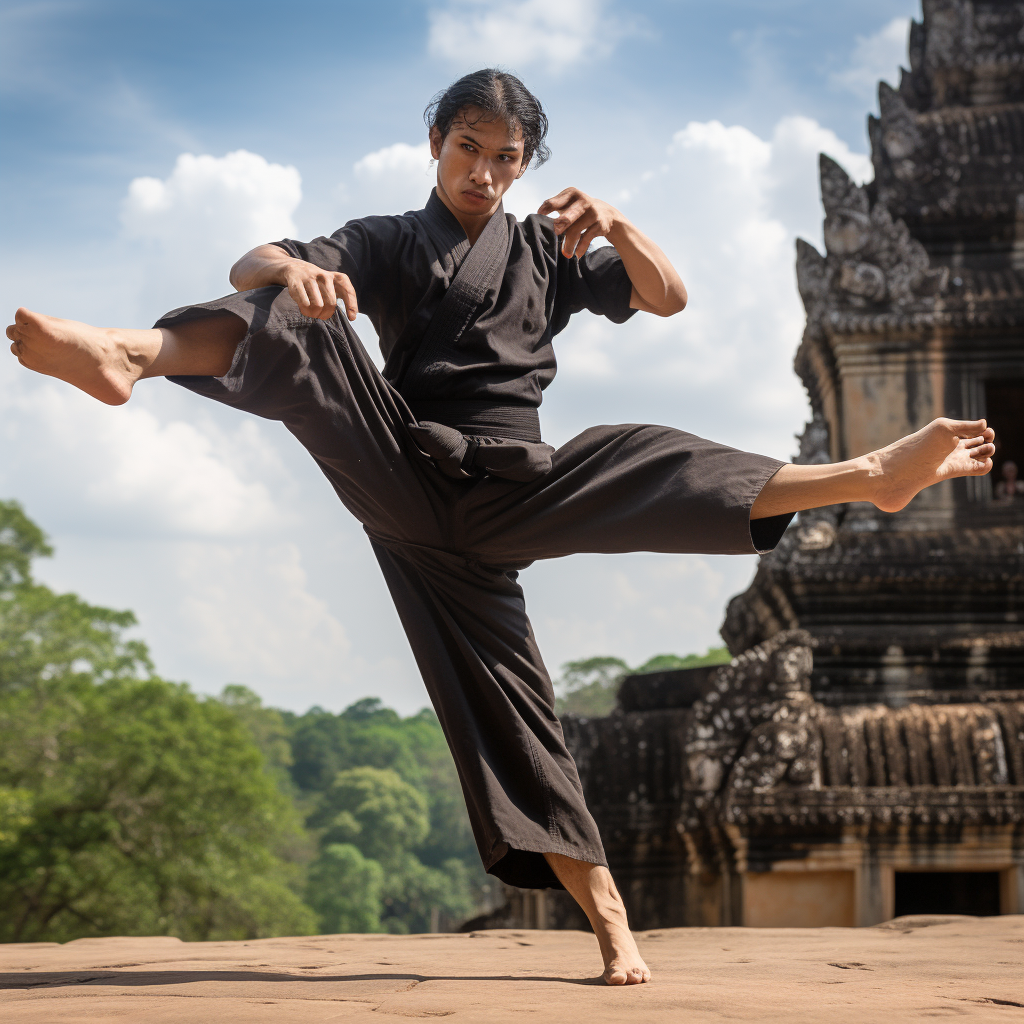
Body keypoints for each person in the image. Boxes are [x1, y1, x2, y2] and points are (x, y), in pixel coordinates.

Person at [6, 70, 995, 985]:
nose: (482, 172)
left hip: (516, 489)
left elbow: (667, 295)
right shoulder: (390, 239)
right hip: (402, 467)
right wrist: (291, 271)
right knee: (295, 317)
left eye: (504, 157)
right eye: (467, 148)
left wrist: (614, 220)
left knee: (628, 477)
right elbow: (251, 259)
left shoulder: (544, 254)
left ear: (526, 166)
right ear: (434, 142)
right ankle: (132, 353)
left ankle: (865, 477)